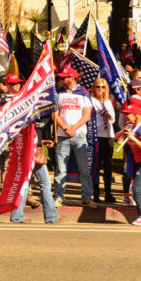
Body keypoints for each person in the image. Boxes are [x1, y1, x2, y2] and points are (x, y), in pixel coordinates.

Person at [52, 67, 97, 208]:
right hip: (62, 135)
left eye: (64, 77)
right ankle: (59, 196)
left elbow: (87, 116)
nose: (61, 80)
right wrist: (65, 127)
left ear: (72, 78)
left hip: (79, 135)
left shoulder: (84, 94)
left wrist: (73, 128)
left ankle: (87, 197)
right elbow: (55, 114)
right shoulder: (58, 94)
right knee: (61, 169)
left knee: (84, 168)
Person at [91, 78, 116, 203]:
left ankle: (108, 193)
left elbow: (113, 119)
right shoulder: (91, 101)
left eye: (103, 87)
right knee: (96, 165)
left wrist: (109, 116)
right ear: (94, 88)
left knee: (108, 165)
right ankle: (95, 193)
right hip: (96, 135)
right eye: (98, 87)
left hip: (108, 135)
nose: (100, 89)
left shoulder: (108, 102)